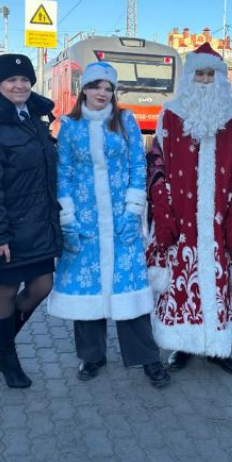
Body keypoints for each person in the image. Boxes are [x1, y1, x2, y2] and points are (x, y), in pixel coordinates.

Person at [47, 62, 170, 387]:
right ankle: (92, 356)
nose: (101, 93)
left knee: (130, 292)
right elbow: (65, 173)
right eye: (95, 86)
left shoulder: (125, 120)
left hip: (121, 222)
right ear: (83, 89)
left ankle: (147, 359)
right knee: (87, 291)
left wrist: (133, 210)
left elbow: (136, 164)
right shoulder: (70, 126)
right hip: (85, 223)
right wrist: (68, 218)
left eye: (107, 88)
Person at [146, 43, 232, 376]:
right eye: (200, 73)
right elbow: (158, 163)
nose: (206, 80)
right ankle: (183, 344)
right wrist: (164, 201)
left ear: (221, 78)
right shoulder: (170, 112)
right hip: (181, 215)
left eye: (211, 74)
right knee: (179, 279)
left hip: (220, 215)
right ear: (190, 76)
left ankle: (219, 347)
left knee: (219, 281)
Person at [0, 53, 62, 389]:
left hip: (38, 224)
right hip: (6, 228)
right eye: (11, 80)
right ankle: (7, 356)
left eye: (24, 80)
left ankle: (0, 340)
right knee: (6, 288)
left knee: (42, 286)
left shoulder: (35, 120)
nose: (20, 86)